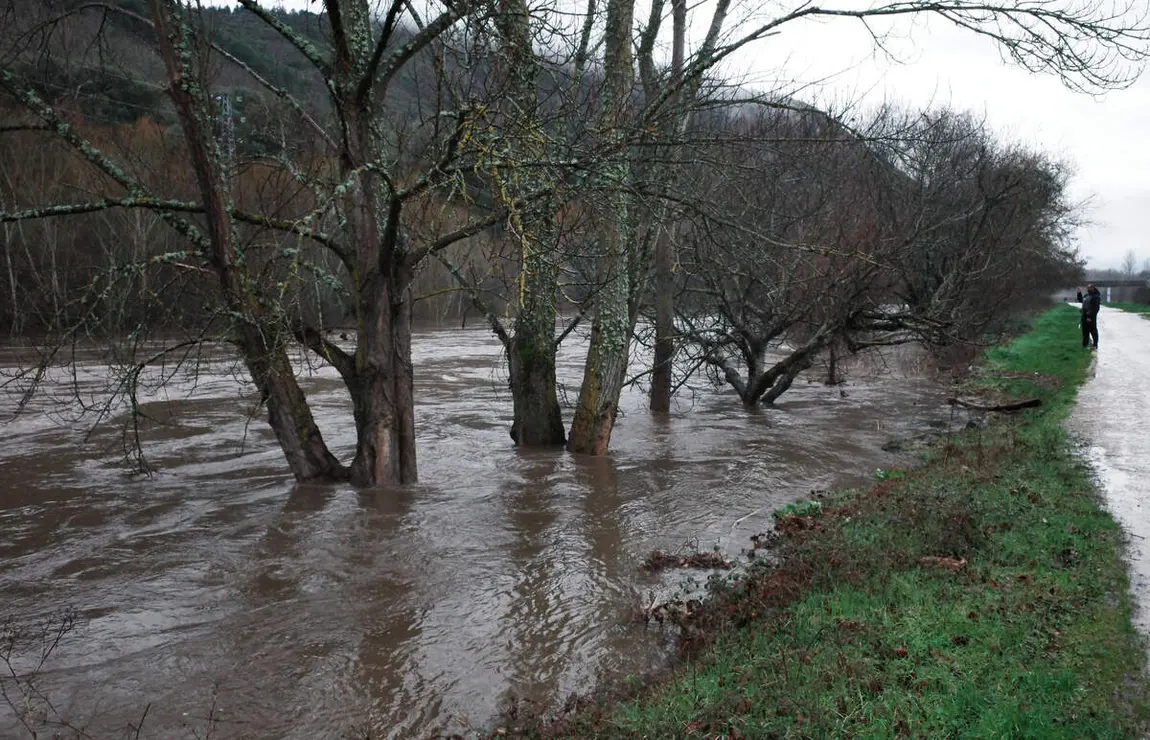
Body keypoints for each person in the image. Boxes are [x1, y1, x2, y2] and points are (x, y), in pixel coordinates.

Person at [1081, 284, 1101, 349]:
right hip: (1084, 315)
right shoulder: (1086, 296)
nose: (1088, 289)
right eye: (1088, 288)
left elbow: (1095, 308)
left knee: (1093, 330)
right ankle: (1084, 345)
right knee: (1085, 331)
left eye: (1090, 288)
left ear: (1094, 288)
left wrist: (1089, 316)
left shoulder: (1096, 297)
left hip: (1091, 317)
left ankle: (1095, 344)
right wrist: (1079, 293)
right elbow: (1082, 301)